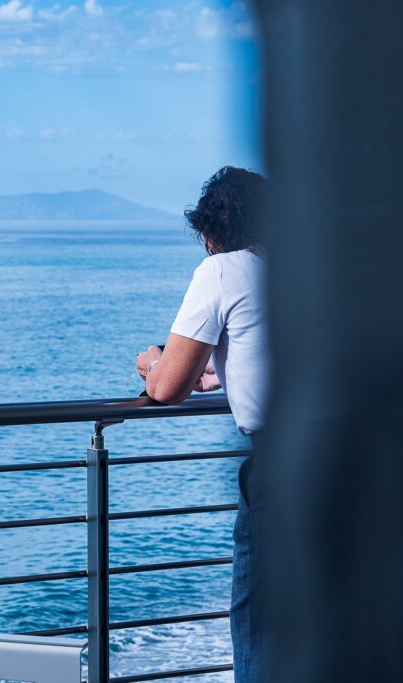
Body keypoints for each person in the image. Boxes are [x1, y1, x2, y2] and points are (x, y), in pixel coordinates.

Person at [136, 166, 269, 682]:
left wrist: (151, 362)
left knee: (262, 621)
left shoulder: (222, 269)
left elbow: (167, 387)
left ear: (213, 231)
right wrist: (223, 371)